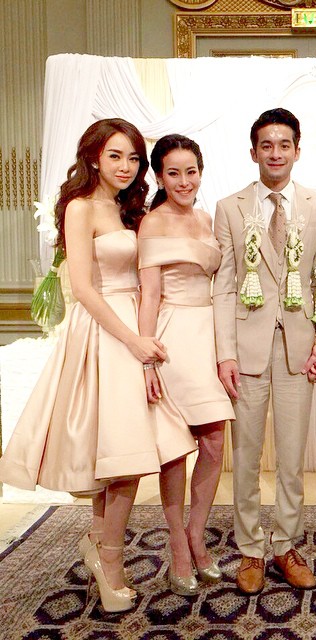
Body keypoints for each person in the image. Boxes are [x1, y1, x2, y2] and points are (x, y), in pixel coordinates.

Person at [0, 119, 196, 613]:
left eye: (133, 158)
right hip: (104, 332)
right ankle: (109, 562)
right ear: (93, 157)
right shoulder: (81, 207)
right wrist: (133, 340)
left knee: (121, 452)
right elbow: (84, 289)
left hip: (134, 326)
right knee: (123, 455)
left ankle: (98, 541)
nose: (126, 166)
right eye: (115, 155)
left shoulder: (129, 207)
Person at [213, 108, 316, 595]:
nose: (276, 153)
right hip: (246, 349)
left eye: (284, 144)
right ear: (253, 152)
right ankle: (250, 549)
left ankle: (285, 544)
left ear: (297, 150)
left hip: (298, 348)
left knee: (292, 456)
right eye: (266, 145)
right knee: (245, 456)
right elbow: (224, 286)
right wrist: (225, 353)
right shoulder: (229, 207)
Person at [137, 134, 236, 596]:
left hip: (208, 332)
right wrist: (147, 359)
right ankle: (178, 544)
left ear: (200, 173)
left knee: (214, 442)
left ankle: (197, 534)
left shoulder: (205, 218)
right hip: (172, 337)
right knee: (177, 449)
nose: (183, 181)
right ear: (159, 176)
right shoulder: (152, 224)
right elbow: (150, 295)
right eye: (173, 173)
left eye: (190, 171)